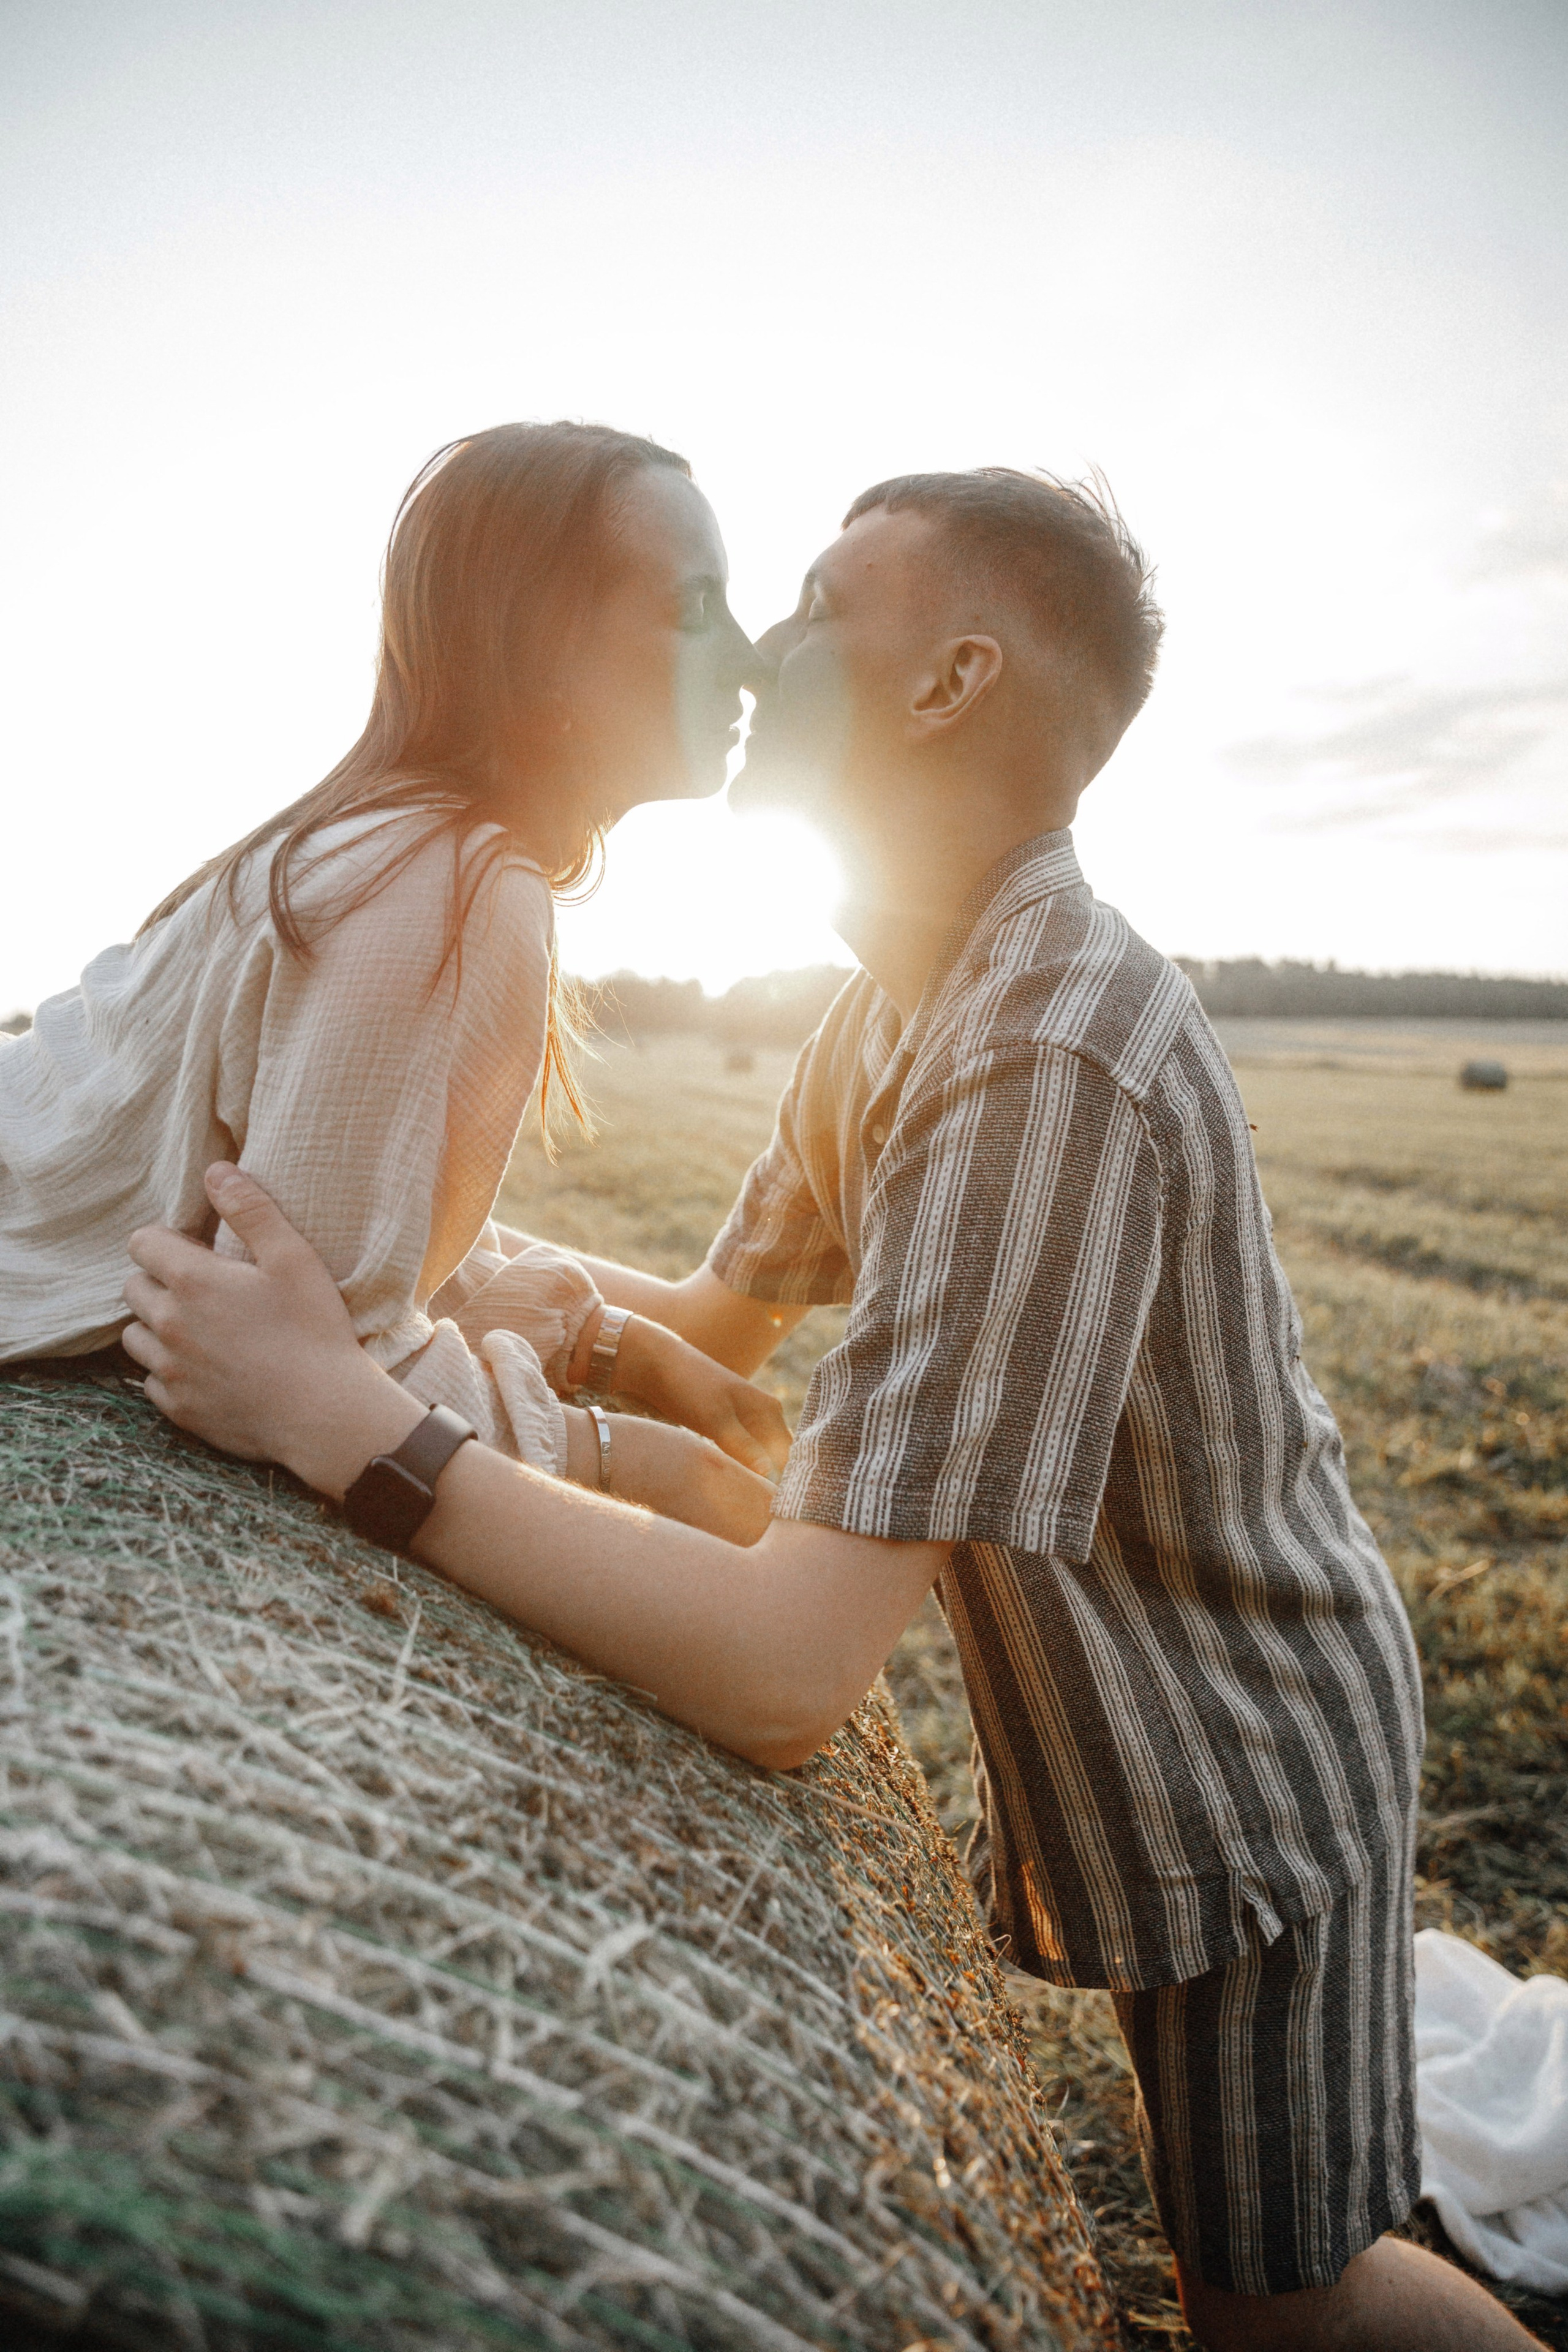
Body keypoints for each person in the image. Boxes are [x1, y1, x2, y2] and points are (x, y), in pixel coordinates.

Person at [116, 469, 1542, 2352]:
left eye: (810, 606)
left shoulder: (1041, 1059)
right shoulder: (892, 1005)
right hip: (1132, 1743)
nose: (760, 649)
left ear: (950, 683)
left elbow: (791, 1674)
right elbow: (712, 1319)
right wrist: (428, 1274)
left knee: (1288, 2305)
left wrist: (348, 1422)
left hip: (1244, 1753)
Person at [0, 421, 788, 1534]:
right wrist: (628, 1461)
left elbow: (344, 1211)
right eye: (695, 608)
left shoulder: (410, 845)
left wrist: (605, 1340)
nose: (752, 658)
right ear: (542, 647)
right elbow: (310, 1361)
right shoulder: (449, 881)